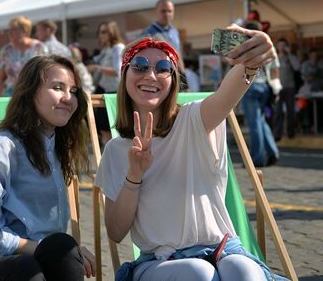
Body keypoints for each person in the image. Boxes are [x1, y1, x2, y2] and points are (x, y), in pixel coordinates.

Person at [95, 32, 289, 281]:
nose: (151, 75)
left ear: (173, 79)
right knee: (197, 273)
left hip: (223, 250)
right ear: (125, 74)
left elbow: (228, 94)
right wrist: (134, 175)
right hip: (159, 261)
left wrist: (250, 61)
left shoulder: (195, 120)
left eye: (163, 68)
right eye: (140, 66)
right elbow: (115, 231)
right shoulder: (116, 149)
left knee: (244, 272)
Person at [0, 55, 96, 281]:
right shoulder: (0, 148)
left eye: (74, 91)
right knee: (29, 269)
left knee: (64, 248)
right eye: (58, 88)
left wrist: (70, 252)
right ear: (30, 93)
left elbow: (50, 240)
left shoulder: (57, 150)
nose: (68, 98)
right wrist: (40, 249)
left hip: (34, 262)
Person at [241, 21, 281, 167]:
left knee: (254, 123)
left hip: (250, 85)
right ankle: (272, 152)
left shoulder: (246, 45)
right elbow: (276, 69)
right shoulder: (268, 45)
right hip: (265, 86)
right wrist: (276, 89)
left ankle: (257, 158)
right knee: (261, 120)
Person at [87, 21, 125, 145]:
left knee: (109, 130)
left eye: (104, 32)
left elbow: (117, 71)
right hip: (105, 90)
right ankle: (107, 158)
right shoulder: (107, 49)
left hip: (113, 92)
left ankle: (109, 158)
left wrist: (97, 68)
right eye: (99, 32)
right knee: (104, 129)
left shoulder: (117, 48)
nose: (100, 35)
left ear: (112, 32)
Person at [0, 16, 47, 96]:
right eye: (9, 29)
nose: (9, 32)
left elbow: (46, 71)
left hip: (34, 91)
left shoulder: (39, 47)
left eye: (13, 29)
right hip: (11, 93)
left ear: (25, 30)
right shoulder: (7, 50)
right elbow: (1, 76)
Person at [273, 38, 300, 141]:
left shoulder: (291, 57)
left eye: (284, 45)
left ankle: (291, 132)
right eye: (280, 45)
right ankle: (277, 134)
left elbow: (297, 67)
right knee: (278, 112)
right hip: (278, 88)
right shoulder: (275, 57)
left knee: (290, 111)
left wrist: (289, 54)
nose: (281, 47)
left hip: (289, 87)